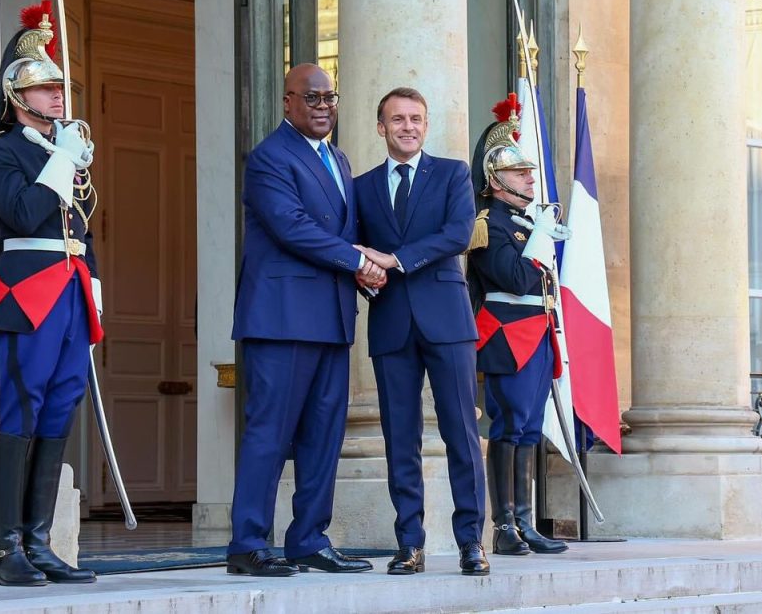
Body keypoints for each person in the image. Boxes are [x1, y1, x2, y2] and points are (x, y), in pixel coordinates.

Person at [227, 63, 384, 577]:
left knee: (324, 435)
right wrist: (355, 259)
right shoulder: (270, 158)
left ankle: (309, 539)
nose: (322, 107)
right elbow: (292, 228)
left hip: (332, 316)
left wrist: (362, 263)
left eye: (329, 98)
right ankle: (248, 543)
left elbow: (341, 229)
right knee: (270, 434)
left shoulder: (338, 157)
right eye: (311, 98)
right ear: (287, 103)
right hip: (282, 319)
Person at [0, 0, 100, 586]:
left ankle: (40, 539)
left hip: (71, 290)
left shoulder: (63, 150)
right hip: (28, 292)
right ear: (17, 95)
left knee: (59, 408)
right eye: (45, 88)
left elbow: (82, 229)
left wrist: (93, 286)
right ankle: (7, 549)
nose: (57, 97)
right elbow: (23, 214)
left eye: (59, 87)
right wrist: (62, 162)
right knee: (22, 407)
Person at [354, 87, 489, 576]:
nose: (407, 126)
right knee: (399, 437)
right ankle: (409, 542)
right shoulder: (362, 186)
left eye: (415, 118)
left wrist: (395, 259)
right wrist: (362, 271)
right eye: (397, 119)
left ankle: (472, 541)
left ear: (426, 125)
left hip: (448, 321)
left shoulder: (453, 174)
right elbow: (354, 246)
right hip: (390, 322)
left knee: (461, 432)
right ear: (381, 127)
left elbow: (458, 233)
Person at [466, 95, 569, 556]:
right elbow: (513, 277)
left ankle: (524, 523)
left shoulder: (526, 223)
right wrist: (541, 237)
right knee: (508, 426)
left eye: (529, 170)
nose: (530, 176)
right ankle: (504, 525)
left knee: (528, 429)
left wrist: (540, 232)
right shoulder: (491, 224)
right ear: (495, 180)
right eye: (519, 171)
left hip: (537, 331)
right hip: (508, 334)